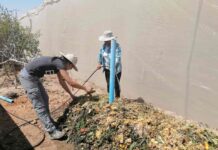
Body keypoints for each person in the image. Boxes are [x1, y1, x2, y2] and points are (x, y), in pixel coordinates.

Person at [19, 52, 93, 140]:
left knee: (45, 98)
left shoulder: (58, 64)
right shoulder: (60, 64)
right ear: (69, 63)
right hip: (28, 77)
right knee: (39, 105)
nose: (71, 69)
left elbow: (62, 82)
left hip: (34, 77)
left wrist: (71, 95)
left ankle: (49, 122)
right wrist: (85, 88)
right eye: (72, 67)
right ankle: (51, 131)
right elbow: (71, 82)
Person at [97, 30, 122, 98]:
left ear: (111, 40)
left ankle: (117, 97)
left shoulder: (117, 47)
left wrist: (112, 65)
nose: (105, 41)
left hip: (116, 69)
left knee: (116, 84)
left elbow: (117, 58)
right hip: (107, 69)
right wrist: (99, 63)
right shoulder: (104, 46)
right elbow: (100, 54)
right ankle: (110, 96)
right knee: (109, 83)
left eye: (106, 40)